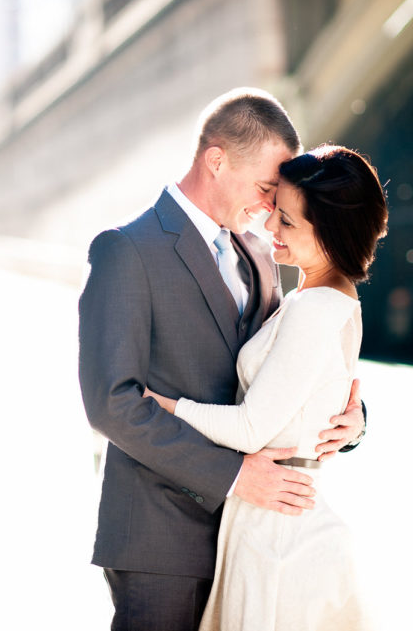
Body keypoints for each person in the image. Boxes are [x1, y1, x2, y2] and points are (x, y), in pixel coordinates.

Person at [78, 88, 366, 631]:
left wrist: (352, 421)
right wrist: (234, 476)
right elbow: (111, 404)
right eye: (264, 188)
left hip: (253, 539)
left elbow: (288, 366)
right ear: (217, 159)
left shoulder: (261, 253)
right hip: (159, 540)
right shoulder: (126, 250)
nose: (267, 208)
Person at [145, 144, 389, 630]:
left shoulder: (315, 309)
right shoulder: (322, 297)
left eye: (288, 222)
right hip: (273, 521)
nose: (270, 228)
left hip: (278, 536)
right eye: (275, 211)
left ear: (332, 234)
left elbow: (250, 426)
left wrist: (163, 405)